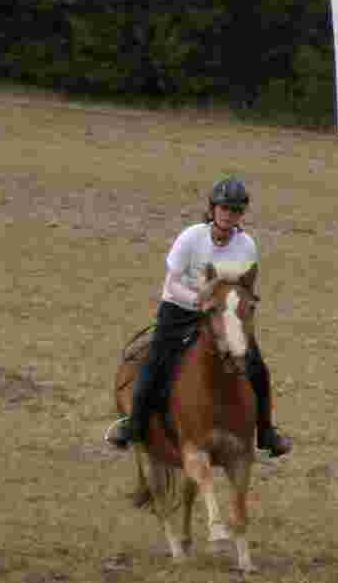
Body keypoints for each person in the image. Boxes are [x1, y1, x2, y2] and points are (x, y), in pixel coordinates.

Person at [103, 176, 292, 457]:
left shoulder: (247, 246)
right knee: (155, 361)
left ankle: (266, 432)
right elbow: (170, 285)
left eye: (236, 210)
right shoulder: (191, 237)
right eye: (225, 208)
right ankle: (134, 425)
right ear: (213, 209)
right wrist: (198, 301)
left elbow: (245, 287)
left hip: (222, 316)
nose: (229, 214)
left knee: (257, 367)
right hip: (180, 309)